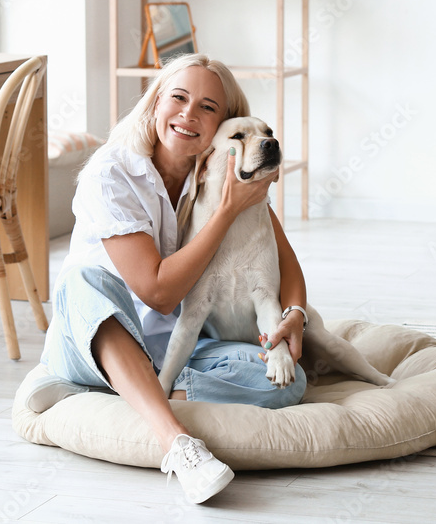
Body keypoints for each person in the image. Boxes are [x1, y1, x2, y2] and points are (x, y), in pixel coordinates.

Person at [26, 53, 309, 504]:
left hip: (172, 348)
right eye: (178, 98)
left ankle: (126, 390)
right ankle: (178, 445)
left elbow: (285, 264)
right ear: (156, 102)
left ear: (224, 130)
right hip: (93, 333)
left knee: (287, 381)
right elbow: (158, 293)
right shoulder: (111, 174)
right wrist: (227, 211)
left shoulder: (225, 173)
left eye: (208, 107)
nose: (188, 115)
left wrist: (293, 316)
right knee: (85, 278)